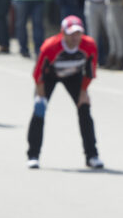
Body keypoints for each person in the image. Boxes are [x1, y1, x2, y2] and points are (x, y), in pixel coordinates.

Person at [27, 15, 103, 170]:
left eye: (78, 33)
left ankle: (92, 156)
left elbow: (90, 71)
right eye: (71, 33)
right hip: (49, 76)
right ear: (63, 33)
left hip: (73, 75)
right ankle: (33, 155)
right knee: (39, 110)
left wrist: (83, 92)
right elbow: (37, 73)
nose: (75, 37)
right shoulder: (50, 46)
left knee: (85, 109)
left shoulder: (89, 45)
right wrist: (40, 95)